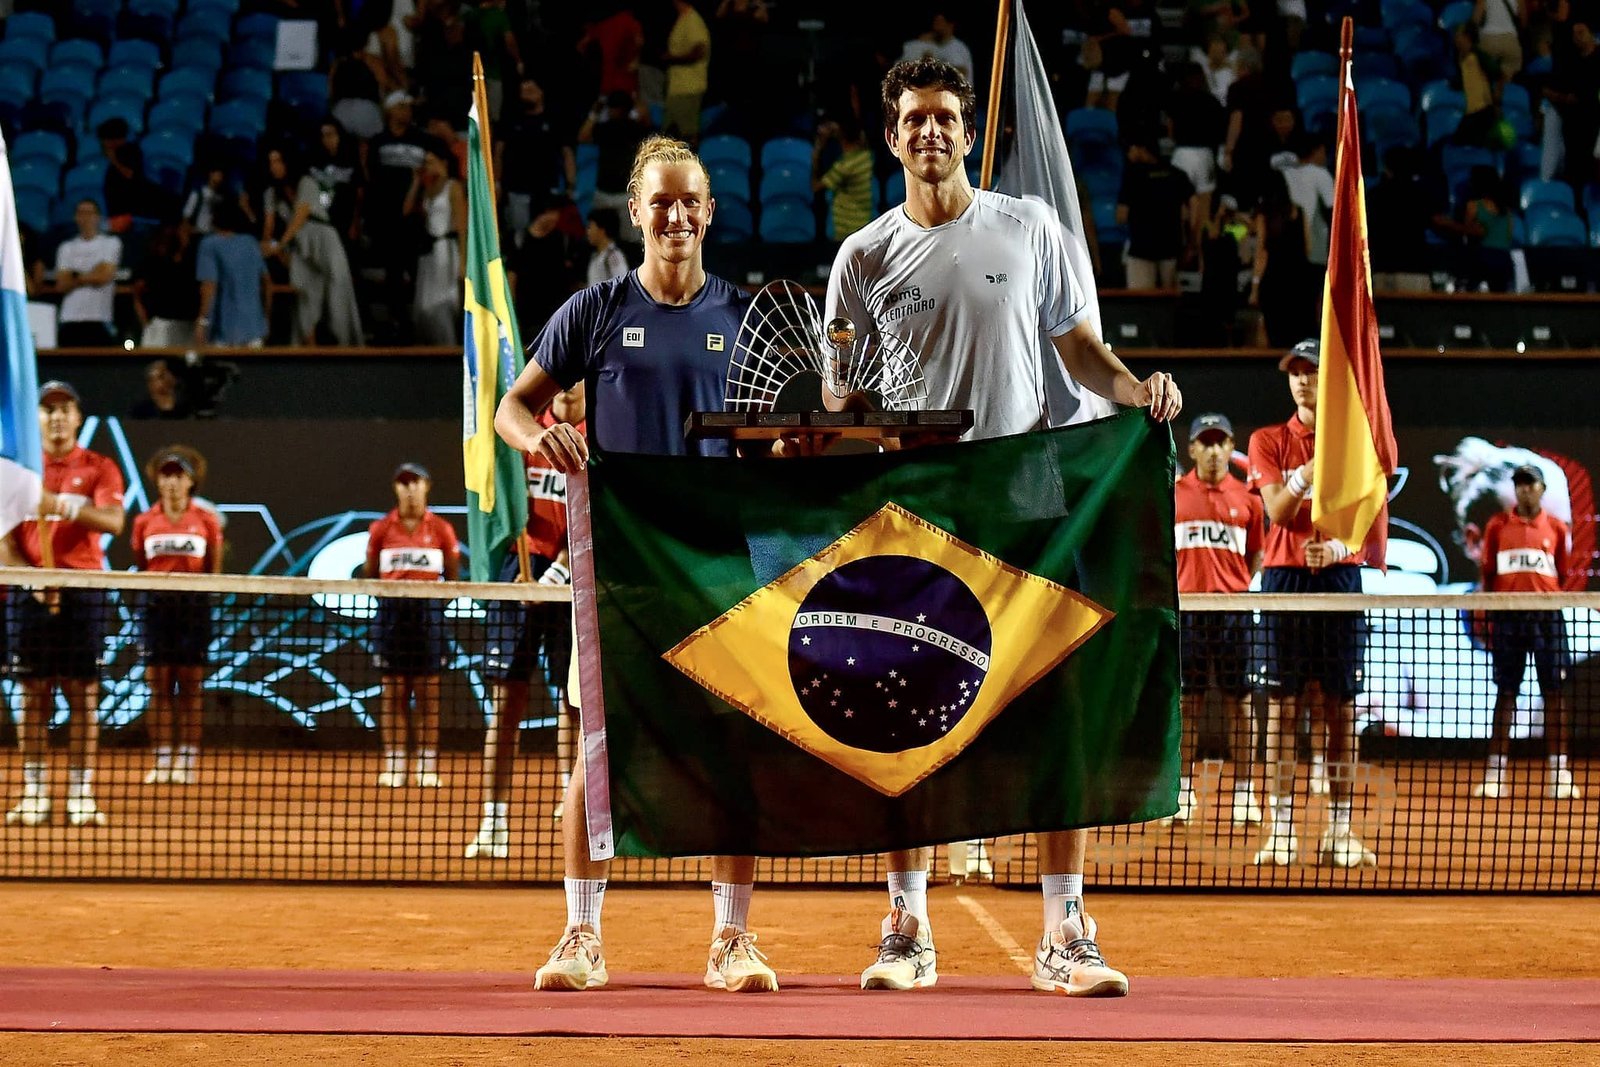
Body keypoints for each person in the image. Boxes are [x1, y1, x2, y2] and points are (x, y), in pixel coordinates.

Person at [825, 57, 1181, 997]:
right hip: (913, 516)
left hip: (1026, 504)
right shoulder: (860, 257)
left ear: (967, 132)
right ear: (892, 136)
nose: (932, 133)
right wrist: (842, 419)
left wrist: (1137, 390)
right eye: (915, 120)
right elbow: (840, 396)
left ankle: (1065, 926)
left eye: (946, 117)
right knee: (905, 716)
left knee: (1048, 714)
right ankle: (908, 924)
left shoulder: (1031, 229)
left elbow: (1081, 353)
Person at [495, 134, 778, 995]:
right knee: (597, 755)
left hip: (722, 576)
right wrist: (540, 433)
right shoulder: (596, 310)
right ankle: (582, 933)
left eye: (690, 199)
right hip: (617, 573)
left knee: (730, 753)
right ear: (636, 210)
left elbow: (781, 439)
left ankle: (733, 939)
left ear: (710, 211)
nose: (677, 214)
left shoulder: (748, 317)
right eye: (662, 201)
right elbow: (512, 406)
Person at [1246, 339, 1377, 869]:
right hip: (1284, 583)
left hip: (1340, 581)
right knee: (1281, 709)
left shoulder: (1357, 442)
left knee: (1340, 711)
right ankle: (1281, 829)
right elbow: (1277, 510)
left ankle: (1340, 831)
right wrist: (1312, 468)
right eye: (1295, 372)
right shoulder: (1267, 440)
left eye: (1312, 372)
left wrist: (1341, 547)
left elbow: (1370, 520)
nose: (1302, 380)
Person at [468, 384, 587, 860]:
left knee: (572, 701)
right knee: (507, 701)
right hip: (520, 573)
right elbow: (507, 507)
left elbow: (591, 513)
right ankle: (494, 819)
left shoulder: (593, 439)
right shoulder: (525, 437)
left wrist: (557, 572)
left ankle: (570, 806)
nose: (569, 385)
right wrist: (528, 578)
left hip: (572, 574)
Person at [3, 381, 126, 827]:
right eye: (47, 409)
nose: (56, 416)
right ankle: (35, 792)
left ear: (77, 418)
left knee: (82, 693)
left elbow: (113, 520)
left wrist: (61, 507)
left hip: (83, 587)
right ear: (37, 419)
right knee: (32, 694)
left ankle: (80, 793)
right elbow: (3, 537)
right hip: (29, 590)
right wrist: (33, 579)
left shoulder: (100, 468)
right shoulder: (16, 473)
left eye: (65, 408)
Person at [1172, 412, 1264, 827]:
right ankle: (1183, 791)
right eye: (1204, 442)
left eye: (1219, 442)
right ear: (1192, 449)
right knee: (1186, 705)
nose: (1212, 450)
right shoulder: (1171, 495)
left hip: (1235, 613)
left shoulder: (1249, 500)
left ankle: (1244, 794)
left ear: (1231, 448)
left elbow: (1256, 557)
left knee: (1239, 705)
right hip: (1188, 611)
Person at [1474, 464, 1580, 801]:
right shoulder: (1497, 526)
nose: (1524, 490)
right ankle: (1495, 774)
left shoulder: (1558, 529)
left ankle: (1559, 774)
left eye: (1530, 484)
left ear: (1542, 489)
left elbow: (1562, 575)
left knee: (1554, 693)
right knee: (1506, 693)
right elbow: (1488, 572)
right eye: (1519, 484)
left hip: (1547, 618)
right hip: (1508, 618)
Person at [131, 447, 224, 785]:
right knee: (158, 686)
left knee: (190, 687)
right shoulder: (144, 521)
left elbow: (214, 568)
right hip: (156, 609)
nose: (172, 482)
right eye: (166, 475)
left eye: (178, 475)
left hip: (193, 610)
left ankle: (186, 759)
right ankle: (161, 759)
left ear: (190, 481)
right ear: (157, 480)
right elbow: (141, 564)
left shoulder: (206, 521)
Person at [365, 463, 460, 788]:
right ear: (396, 489)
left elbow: (453, 577)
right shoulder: (380, 529)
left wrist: (431, 606)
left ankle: (426, 765)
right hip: (391, 618)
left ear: (426, 486)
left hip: (428, 618)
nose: (409, 489)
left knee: (428, 694)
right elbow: (369, 573)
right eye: (403, 483)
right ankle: (394, 764)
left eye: (415, 482)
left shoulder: (442, 529)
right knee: (393, 694)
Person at [261, 147, 365, 345]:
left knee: (337, 289)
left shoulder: (306, 182)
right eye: (271, 162)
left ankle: (345, 343)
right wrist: (270, 246)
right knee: (304, 293)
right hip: (300, 245)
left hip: (322, 237)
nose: (274, 167)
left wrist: (280, 244)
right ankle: (306, 344)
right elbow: (269, 225)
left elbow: (300, 216)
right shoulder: (271, 193)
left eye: (278, 161)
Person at [404, 143, 466, 345]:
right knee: (423, 305)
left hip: (445, 248)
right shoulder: (428, 190)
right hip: (428, 251)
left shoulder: (453, 187)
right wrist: (415, 182)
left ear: (443, 163)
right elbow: (406, 211)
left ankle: (447, 345)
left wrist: (463, 260)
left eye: (431, 162)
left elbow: (461, 225)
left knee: (442, 303)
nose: (427, 166)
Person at [196, 202, 272, 349]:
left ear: (214, 219)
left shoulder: (209, 245)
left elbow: (209, 286)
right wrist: (265, 320)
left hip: (224, 334)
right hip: (255, 331)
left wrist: (202, 321)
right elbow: (267, 284)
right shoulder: (251, 243)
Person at [54, 200, 122, 348]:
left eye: (89, 213)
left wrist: (75, 275)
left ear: (98, 217)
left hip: (99, 318)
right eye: (81, 213)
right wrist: (93, 272)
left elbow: (104, 276)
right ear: (75, 217)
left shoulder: (111, 243)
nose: (85, 217)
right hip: (69, 319)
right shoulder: (66, 247)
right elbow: (61, 285)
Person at [134, 224, 200, 348]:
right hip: (160, 325)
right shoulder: (153, 262)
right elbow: (137, 295)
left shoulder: (195, 263)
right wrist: (146, 325)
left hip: (189, 325)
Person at [812, 118, 875, 241]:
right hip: (864, 226)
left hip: (845, 231)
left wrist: (818, 149)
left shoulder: (844, 166)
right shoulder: (866, 157)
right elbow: (860, 133)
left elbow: (815, 186)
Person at [662, 0, 711, 139]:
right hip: (677, 87)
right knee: (668, 135)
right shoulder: (682, 18)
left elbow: (700, 50)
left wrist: (672, 58)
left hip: (688, 87)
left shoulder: (692, 20)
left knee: (688, 135)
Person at [584, 208, 629, 286]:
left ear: (602, 230)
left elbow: (622, 285)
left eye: (590, 227)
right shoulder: (595, 256)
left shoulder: (614, 256)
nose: (588, 232)